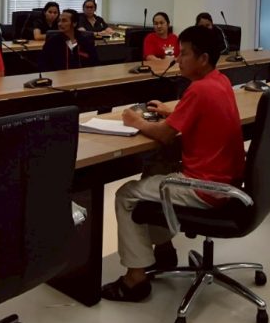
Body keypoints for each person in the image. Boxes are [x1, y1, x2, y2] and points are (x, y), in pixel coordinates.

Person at [101, 25, 245, 302]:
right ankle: (164, 251)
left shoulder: (198, 89)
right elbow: (197, 116)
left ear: (203, 58)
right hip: (226, 182)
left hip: (206, 188)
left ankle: (135, 280)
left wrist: (136, 121)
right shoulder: (220, 81)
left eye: (184, 54)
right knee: (157, 167)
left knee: (127, 194)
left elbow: (165, 135)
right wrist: (172, 111)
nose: (177, 59)